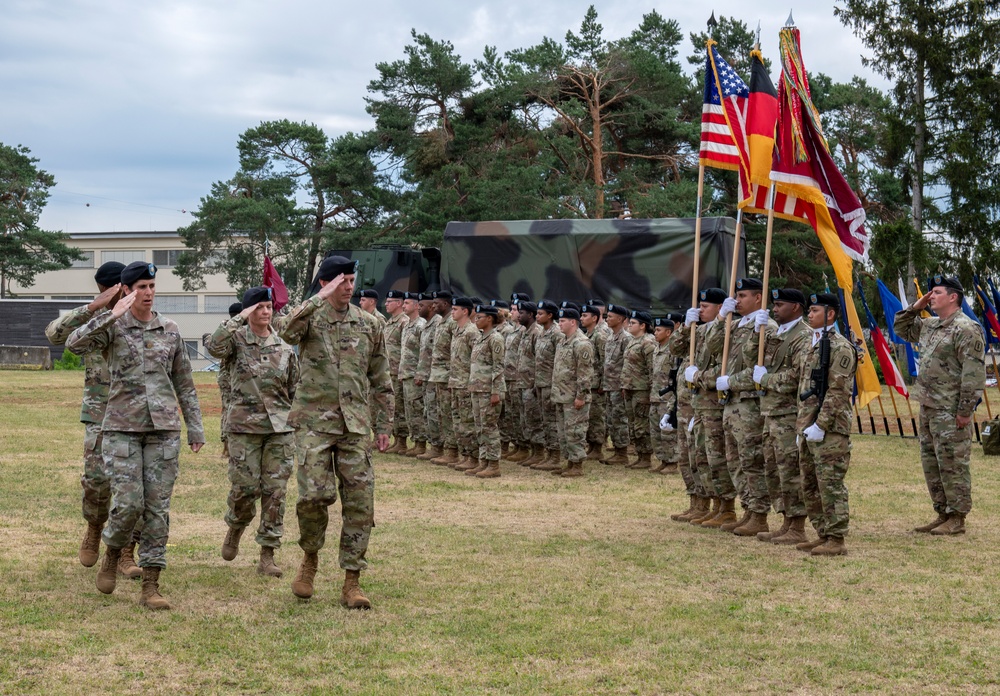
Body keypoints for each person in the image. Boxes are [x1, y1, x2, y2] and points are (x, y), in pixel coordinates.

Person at [67, 260, 205, 610]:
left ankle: (151, 584)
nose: (148, 293)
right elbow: (73, 343)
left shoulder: (170, 329)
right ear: (127, 290)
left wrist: (196, 427)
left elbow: (184, 383)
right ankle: (112, 553)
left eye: (151, 286)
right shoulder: (114, 328)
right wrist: (112, 314)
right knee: (128, 503)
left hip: (163, 431)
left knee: (157, 509)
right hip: (121, 428)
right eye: (140, 287)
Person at [277, 256, 391, 607]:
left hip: (355, 425)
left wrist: (384, 424)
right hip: (314, 423)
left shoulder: (369, 324)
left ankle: (352, 581)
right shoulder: (309, 319)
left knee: (360, 502)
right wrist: (316, 297)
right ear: (327, 283)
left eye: (351, 280)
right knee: (313, 496)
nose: (349, 287)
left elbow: (381, 377)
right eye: (341, 281)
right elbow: (284, 330)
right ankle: (309, 559)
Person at [44, 261, 142, 579]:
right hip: (100, 414)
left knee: (134, 487)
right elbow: (55, 335)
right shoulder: (95, 322)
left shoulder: (143, 316)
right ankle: (94, 528)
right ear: (105, 289)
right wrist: (92, 308)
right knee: (97, 483)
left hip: (135, 416)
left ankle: (127, 551)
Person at [205, 286, 299, 577]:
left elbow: (294, 388)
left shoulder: (283, 347)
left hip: (279, 430)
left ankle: (267, 555)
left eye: (268, 306)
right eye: (259, 306)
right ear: (248, 312)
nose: (266, 311)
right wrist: (238, 319)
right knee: (245, 488)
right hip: (244, 427)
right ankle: (236, 525)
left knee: (275, 492)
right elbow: (212, 346)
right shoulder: (234, 342)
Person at [895, 275, 986, 535]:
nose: (930, 296)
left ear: (953, 297)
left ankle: (957, 517)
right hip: (928, 406)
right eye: (930, 293)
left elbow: (973, 373)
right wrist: (916, 306)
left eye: (935, 292)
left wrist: (965, 411)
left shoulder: (966, 328)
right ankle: (942, 512)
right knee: (931, 462)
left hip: (950, 409)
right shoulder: (931, 325)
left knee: (952, 462)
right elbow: (901, 329)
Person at [746, 288, 812, 545]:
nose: (774, 309)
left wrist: (767, 379)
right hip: (770, 411)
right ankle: (785, 520)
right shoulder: (777, 332)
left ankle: (797, 525)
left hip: (788, 413)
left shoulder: (803, 336)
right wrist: (756, 333)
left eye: (780, 305)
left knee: (790, 470)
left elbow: (797, 376)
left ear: (795, 307)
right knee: (773, 470)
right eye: (774, 305)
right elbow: (751, 358)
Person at [795, 292, 857, 556]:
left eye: (815, 311)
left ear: (830, 314)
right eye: (809, 311)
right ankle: (822, 533)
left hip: (830, 429)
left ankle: (836, 538)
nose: (810, 314)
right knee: (810, 483)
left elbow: (837, 391)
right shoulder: (815, 344)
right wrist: (804, 426)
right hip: (809, 425)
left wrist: (820, 424)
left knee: (829, 483)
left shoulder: (840, 347)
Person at [711, 278, 772, 536]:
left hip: (750, 402)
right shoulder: (734, 325)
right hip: (731, 402)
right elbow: (710, 347)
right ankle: (747, 508)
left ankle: (759, 514)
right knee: (734, 460)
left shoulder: (766, 326)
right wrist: (719, 318)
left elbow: (760, 368)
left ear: (758, 298)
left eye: (743, 295)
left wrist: (731, 381)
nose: (737, 300)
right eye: (736, 295)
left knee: (751, 459)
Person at [676, 288, 735, 526]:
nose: (700, 310)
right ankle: (701, 503)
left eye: (705, 306)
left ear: (720, 308)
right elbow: (676, 349)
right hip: (693, 403)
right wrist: (685, 327)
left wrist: (698, 376)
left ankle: (724, 507)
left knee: (714, 457)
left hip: (712, 403)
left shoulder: (725, 329)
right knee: (694, 457)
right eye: (699, 306)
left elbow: (720, 361)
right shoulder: (698, 330)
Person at [551, 307, 594, 477]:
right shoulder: (563, 341)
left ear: (573, 322)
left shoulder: (582, 343)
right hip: (562, 395)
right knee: (564, 433)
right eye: (559, 320)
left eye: (562, 321)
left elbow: (585, 373)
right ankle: (570, 462)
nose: (559, 324)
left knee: (575, 432)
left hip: (574, 397)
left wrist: (581, 396)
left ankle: (577, 465)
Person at [467, 304, 506, 478]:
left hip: (489, 391)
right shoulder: (480, 337)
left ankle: (493, 464)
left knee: (489, 427)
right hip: (477, 388)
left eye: (479, 317)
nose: (476, 320)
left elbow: (498, 367)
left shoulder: (495, 339)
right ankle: (483, 462)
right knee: (480, 426)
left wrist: (495, 392)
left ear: (489, 318)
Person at [448, 296, 481, 471]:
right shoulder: (457, 330)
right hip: (455, 382)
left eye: (455, 309)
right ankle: (465, 454)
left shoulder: (472, 332)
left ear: (465, 311)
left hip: (466, 384)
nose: (452, 312)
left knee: (468, 423)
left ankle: (473, 457)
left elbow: (476, 361)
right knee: (458, 422)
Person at [531, 300, 564, 471]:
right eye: (536, 313)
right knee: (545, 420)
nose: (537, 316)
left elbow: (560, 361)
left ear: (550, 315)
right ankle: (549, 454)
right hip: (541, 383)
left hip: (552, 384)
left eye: (540, 314)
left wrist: (555, 385)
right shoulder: (541, 333)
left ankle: (556, 456)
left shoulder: (557, 334)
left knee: (552, 421)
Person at [621, 310, 657, 469]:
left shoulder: (648, 342)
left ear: (643, 325)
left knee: (642, 424)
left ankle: (646, 457)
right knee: (634, 424)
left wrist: (651, 391)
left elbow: (652, 369)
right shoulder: (632, 341)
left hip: (642, 390)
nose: (629, 325)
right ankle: (640, 454)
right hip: (630, 388)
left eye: (633, 323)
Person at [429, 292, 460, 466]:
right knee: (442, 414)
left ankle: (452, 451)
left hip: (448, 375)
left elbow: (455, 352)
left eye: (437, 303)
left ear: (446, 304)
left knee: (449, 414)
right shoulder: (441, 321)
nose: (433, 306)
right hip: (439, 375)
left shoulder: (452, 323)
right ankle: (445, 448)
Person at [600, 304, 632, 465]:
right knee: (612, 419)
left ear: (620, 319)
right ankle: (618, 450)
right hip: (609, 385)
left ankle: (622, 453)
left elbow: (629, 364)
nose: (607, 319)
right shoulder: (610, 337)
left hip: (618, 386)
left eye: (610, 316)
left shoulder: (626, 338)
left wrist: (625, 385)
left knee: (620, 419)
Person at [516, 302, 546, 466]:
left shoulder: (536, 332)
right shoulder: (525, 331)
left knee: (535, 420)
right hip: (523, 383)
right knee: (526, 419)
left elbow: (539, 360)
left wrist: (535, 383)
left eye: (522, 313)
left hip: (532, 384)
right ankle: (533, 451)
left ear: (531, 314)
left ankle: (539, 452)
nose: (519, 316)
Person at [397, 292, 427, 457]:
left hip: (415, 374)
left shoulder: (420, 325)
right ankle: (415, 441)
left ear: (416, 306)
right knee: (409, 410)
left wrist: (420, 373)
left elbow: (423, 352)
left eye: (407, 303)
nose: (404, 306)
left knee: (417, 409)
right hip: (406, 373)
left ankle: (421, 443)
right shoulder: (408, 324)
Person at [415, 293, 443, 461]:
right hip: (427, 375)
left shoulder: (437, 324)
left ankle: (438, 447)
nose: (419, 309)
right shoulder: (427, 325)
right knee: (428, 410)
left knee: (434, 412)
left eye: (421, 306)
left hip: (435, 375)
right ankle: (434, 445)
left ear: (431, 306)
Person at [580, 303, 610, 461]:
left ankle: (598, 447)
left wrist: (603, 383)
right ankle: (591, 445)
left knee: (597, 416)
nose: (582, 318)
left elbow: (606, 361)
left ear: (595, 318)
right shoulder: (587, 334)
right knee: (590, 416)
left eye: (585, 316)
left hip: (597, 383)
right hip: (589, 383)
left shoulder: (600, 335)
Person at [649, 317, 678, 474]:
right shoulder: (656, 348)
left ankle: (672, 462)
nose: (655, 332)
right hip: (655, 395)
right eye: (655, 329)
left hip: (667, 398)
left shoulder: (673, 350)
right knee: (655, 431)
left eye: (658, 330)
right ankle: (663, 459)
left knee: (668, 432)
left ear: (668, 332)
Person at [382, 290, 410, 453]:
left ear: (399, 303)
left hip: (398, 370)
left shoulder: (404, 322)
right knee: (391, 406)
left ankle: (402, 440)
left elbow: (405, 349)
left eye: (389, 301)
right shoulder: (390, 322)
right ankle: (396, 439)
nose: (386, 304)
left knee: (399, 406)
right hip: (388, 370)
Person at [218, 301, 243, 459]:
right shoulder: (235, 329)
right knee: (231, 408)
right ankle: (228, 447)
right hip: (230, 375)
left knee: (227, 408)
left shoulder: (225, 328)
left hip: (227, 375)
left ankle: (227, 447)